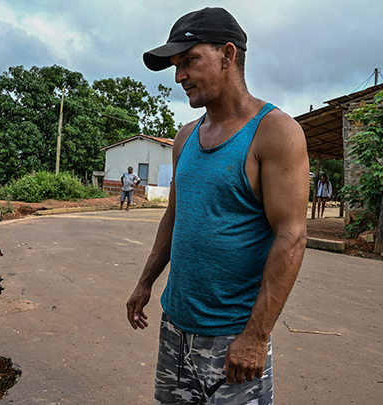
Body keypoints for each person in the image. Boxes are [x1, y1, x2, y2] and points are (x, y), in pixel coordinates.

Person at [126, 7, 309, 404]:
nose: (179, 77)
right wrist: (145, 282)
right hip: (175, 328)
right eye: (176, 66)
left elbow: (291, 236)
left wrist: (256, 336)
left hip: (233, 337)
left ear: (228, 55)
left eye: (189, 60)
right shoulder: (186, 137)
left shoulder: (275, 132)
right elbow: (175, 216)